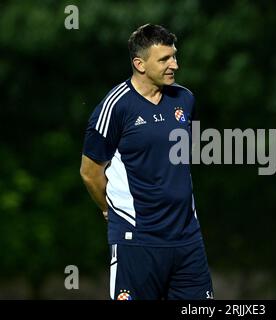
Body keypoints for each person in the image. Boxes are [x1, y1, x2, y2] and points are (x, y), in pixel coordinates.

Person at [79, 23, 213, 300]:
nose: (174, 64)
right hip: (137, 240)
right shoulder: (115, 106)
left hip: (187, 239)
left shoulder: (185, 99)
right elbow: (90, 173)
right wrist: (110, 209)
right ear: (139, 64)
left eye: (174, 56)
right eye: (164, 59)